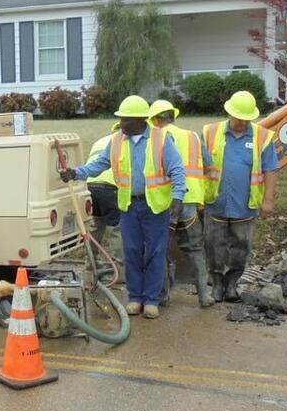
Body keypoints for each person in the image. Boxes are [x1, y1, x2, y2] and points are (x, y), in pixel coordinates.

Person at [60, 95, 186, 319]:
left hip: (155, 207)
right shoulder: (117, 140)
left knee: (156, 253)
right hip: (129, 205)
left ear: (139, 120)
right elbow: (99, 164)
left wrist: (177, 197)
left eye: (125, 119)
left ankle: (151, 300)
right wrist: (76, 173)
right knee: (132, 252)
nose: (122, 123)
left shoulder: (161, 139)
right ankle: (135, 297)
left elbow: (177, 169)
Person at [202, 90, 278, 303]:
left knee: (241, 246)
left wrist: (268, 201)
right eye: (239, 118)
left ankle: (232, 283)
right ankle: (216, 283)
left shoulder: (262, 137)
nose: (242, 123)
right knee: (213, 244)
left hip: (245, 205)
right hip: (215, 202)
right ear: (230, 113)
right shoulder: (210, 132)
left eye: (247, 119)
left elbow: (270, 169)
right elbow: (197, 165)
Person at [148, 99, 215, 308]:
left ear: (156, 120)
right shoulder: (193, 136)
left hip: (167, 200)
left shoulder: (157, 139)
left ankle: (163, 296)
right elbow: (209, 167)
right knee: (195, 248)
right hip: (191, 201)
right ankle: (204, 295)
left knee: (161, 248)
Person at [85, 122, 121, 249]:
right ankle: (119, 266)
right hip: (111, 188)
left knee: (96, 227)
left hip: (90, 187)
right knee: (116, 230)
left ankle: (90, 265)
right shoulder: (124, 142)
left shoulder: (99, 142)